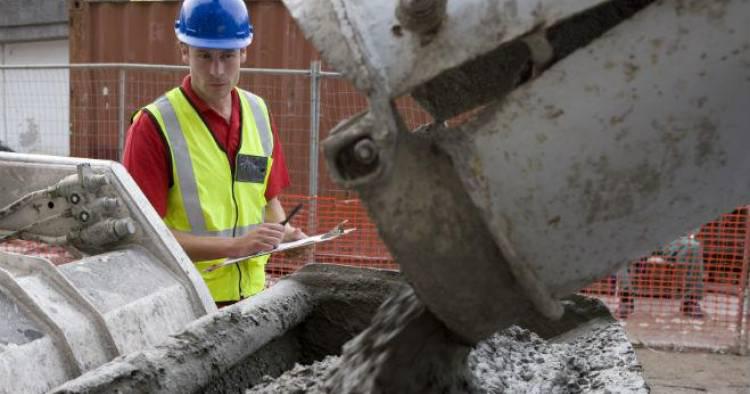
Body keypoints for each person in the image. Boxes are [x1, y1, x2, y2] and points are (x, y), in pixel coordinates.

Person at [122, 0, 305, 306]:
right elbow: (143, 236)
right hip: (186, 301)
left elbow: (269, 203)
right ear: (184, 51)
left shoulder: (257, 113)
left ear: (244, 52)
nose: (217, 70)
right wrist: (235, 246)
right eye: (204, 56)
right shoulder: (154, 126)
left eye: (227, 56)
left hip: (252, 297)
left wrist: (283, 238)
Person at [617, 229, 705, 319]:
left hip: (672, 239)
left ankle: (690, 301)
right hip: (641, 237)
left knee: (693, 247)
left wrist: (687, 234)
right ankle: (625, 297)